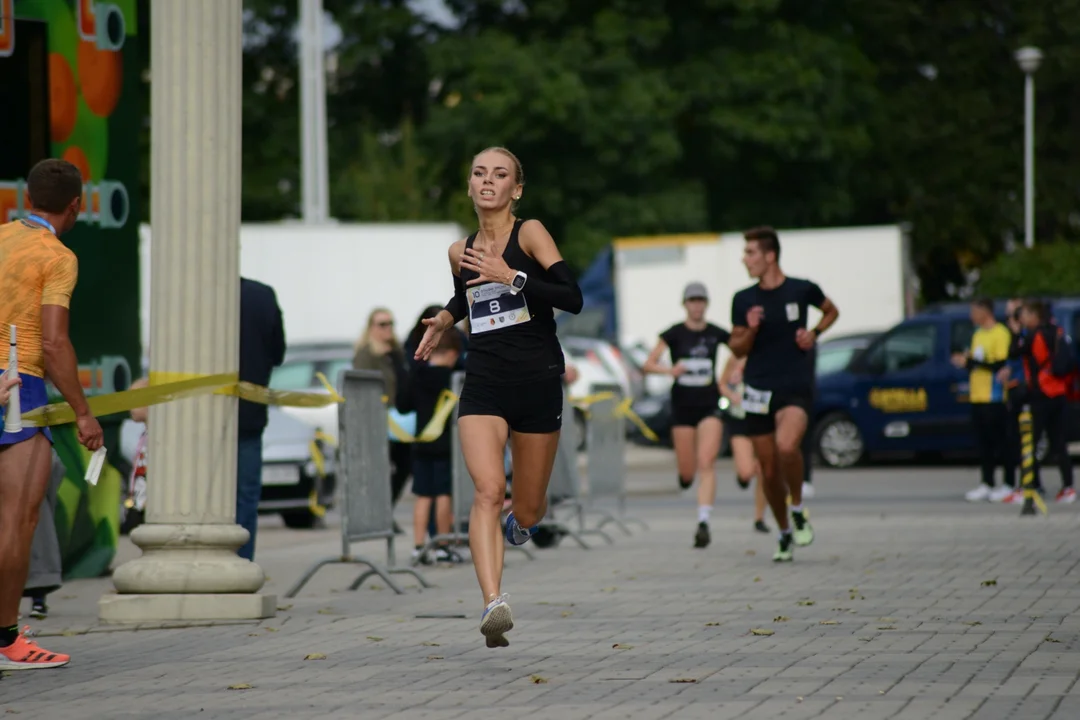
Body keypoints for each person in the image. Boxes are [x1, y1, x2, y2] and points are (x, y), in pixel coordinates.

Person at [414, 146, 583, 648]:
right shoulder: (458, 251)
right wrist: (446, 318)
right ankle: (493, 604)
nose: (488, 180)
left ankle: (522, 523)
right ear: (469, 187)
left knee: (528, 509)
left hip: (536, 380)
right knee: (487, 489)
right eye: (479, 173)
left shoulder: (529, 233)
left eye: (500, 174)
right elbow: (467, 293)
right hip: (484, 382)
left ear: (516, 189)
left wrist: (514, 276)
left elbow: (571, 297)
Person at [0, 158, 103, 670]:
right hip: (22, 391)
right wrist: (83, 413)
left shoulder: (0, 239)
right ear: (76, 206)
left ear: (27, 197)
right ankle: (6, 642)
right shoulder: (56, 256)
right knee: (17, 523)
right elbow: (55, 342)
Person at [728, 226, 839, 562]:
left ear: (770, 255)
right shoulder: (744, 299)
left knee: (787, 446)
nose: (744, 259)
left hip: (795, 385)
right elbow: (735, 345)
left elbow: (831, 310)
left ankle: (799, 507)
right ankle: (784, 532)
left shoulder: (802, 289)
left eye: (750, 253)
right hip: (758, 388)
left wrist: (815, 333)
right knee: (769, 470)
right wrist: (750, 328)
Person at [642, 282, 730, 548]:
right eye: (692, 300)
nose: (696, 305)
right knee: (689, 471)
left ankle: (704, 521)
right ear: (685, 304)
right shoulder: (674, 334)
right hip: (682, 407)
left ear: (706, 304)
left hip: (709, 405)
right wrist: (671, 371)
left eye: (701, 300)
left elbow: (742, 352)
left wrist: (728, 378)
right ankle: (684, 476)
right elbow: (648, 364)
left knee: (707, 461)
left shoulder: (716, 333)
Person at [397, 329, 465, 564]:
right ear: (453, 354)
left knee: (423, 495)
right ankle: (442, 545)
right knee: (443, 494)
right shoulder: (453, 379)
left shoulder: (417, 376)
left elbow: (403, 405)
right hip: (445, 446)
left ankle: (418, 546)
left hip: (421, 444)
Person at [236, 277, 286, 561]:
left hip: (200, 416)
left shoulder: (196, 294)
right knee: (246, 497)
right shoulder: (262, 295)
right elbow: (278, 353)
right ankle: (242, 563)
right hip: (250, 413)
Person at [353, 307, 412, 529]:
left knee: (404, 465)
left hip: (399, 420)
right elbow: (363, 387)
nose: (388, 328)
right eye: (382, 324)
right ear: (371, 328)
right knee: (379, 468)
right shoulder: (366, 354)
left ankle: (385, 512)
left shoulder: (395, 352)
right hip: (377, 420)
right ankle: (378, 515)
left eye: (390, 323)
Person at [952, 298, 1014, 502]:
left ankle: (1009, 483)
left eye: (974, 312)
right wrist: (965, 363)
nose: (971, 316)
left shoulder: (1000, 333)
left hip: (994, 397)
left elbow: (999, 365)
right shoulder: (978, 334)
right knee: (983, 443)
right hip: (977, 395)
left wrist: (972, 361)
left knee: (1001, 442)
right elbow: (977, 364)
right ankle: (987, 483)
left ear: (985, 312)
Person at [1013, 299, 1075, 503]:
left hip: (1041, 395)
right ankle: (1068, 488)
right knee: (1059, 443)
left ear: (1034, 316)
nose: (1021, 318)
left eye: (1024, 314)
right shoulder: (1058, 332)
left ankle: (1030, 486)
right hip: (1059, 393)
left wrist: (1015, 333)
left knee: (1032, 442)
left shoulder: (1033, 335)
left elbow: (1013, 352)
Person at [718, 354, 770, 533]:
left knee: (764, 468)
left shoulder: (767, 356)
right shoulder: (734, 358)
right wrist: (732, 396)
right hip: (739, 418)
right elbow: (722, 384)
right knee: (747, 471)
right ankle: (743, 474)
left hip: (762, 416)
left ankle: (759, 517)